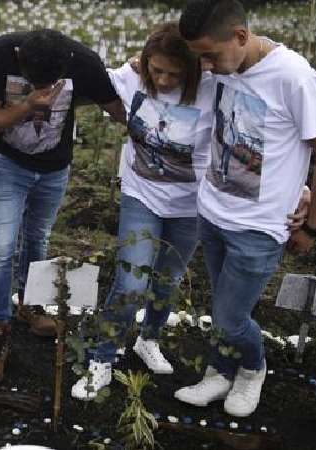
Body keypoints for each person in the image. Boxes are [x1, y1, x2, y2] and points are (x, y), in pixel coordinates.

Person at [171, 0, 316, 417]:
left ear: (241, 36)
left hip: (259, 227)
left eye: (209, 56)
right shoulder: (222, 63)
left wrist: (312, 225)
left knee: (231, 316)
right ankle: (219, 369)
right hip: (212, 214)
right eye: (199, 59)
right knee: (222, 304)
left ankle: (252, 368)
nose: (205, 68)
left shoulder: (294, 78)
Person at [72, 22, 214, 399]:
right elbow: (86, 74)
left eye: (174, 73)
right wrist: (131, 65)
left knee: (167, 280)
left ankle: (148, 339)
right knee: (131, 283)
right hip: (142, 195)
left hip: (190, 205)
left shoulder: (212, 89)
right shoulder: (131, 78)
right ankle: (102, 358)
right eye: (157, 69)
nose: (164, 79)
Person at [0, 28, 124, 384]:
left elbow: (119, 109)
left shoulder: (84, 61)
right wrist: (28, 105)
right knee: (0, 249)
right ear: (19, 56)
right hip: (5, 164)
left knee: (38, 237)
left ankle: (30, 305)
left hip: (55, 168)